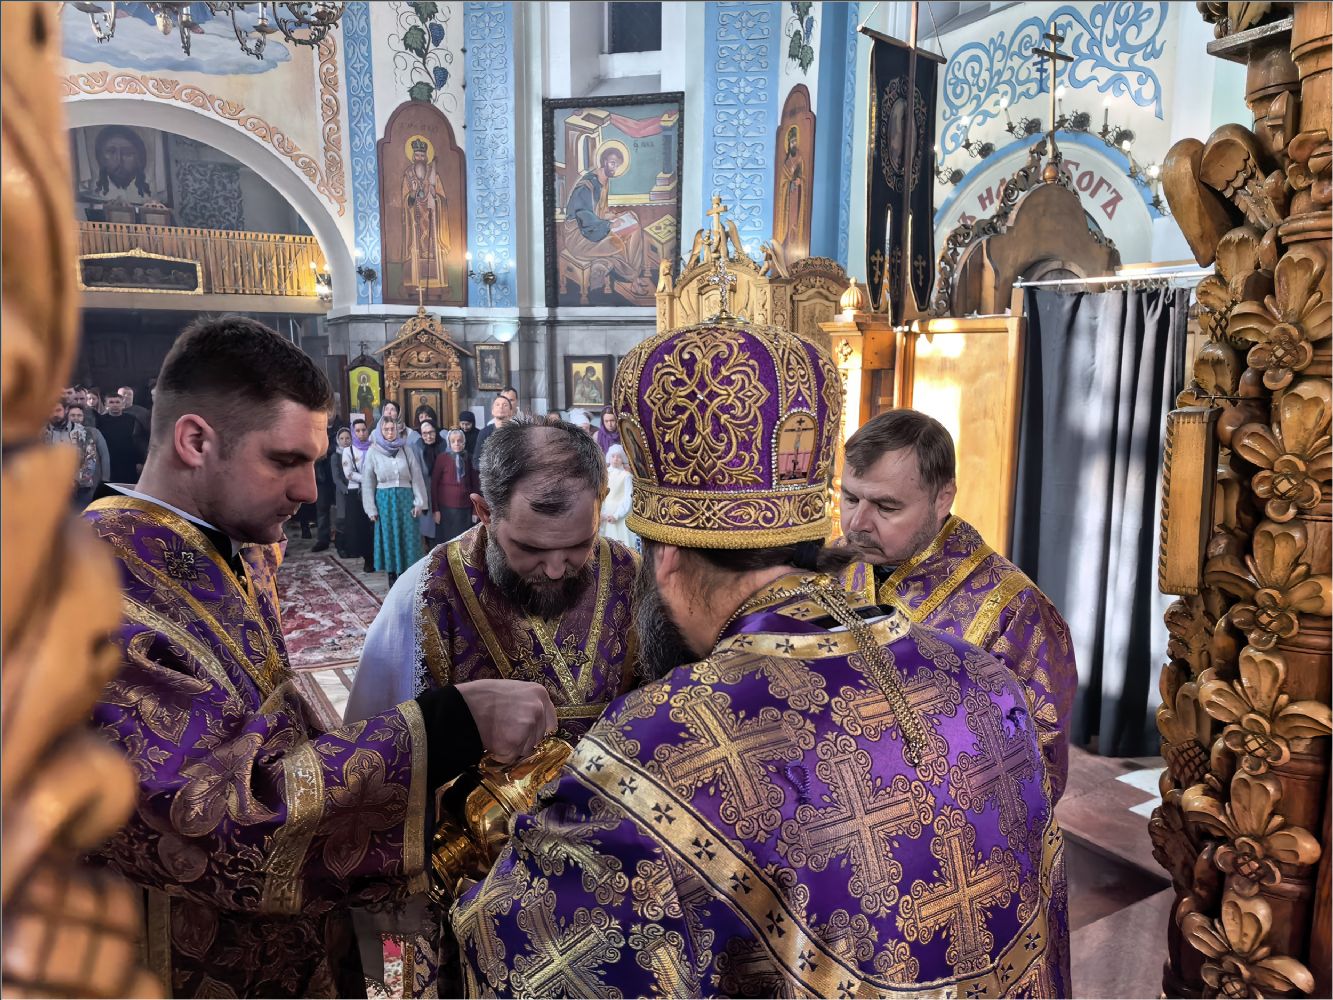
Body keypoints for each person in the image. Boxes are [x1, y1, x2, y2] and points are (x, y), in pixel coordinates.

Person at [453, 318, 1069, 997]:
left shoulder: (658, 745)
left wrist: (478, 880)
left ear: (665, 559)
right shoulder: (985, 679)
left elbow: (540, 966)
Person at [82, 316, 556, 998]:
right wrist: (445, 723)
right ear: (195, 441)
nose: (309, 490)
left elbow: (262, 731)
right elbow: (204, 819)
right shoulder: (91, 587)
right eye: (285, 461)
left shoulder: (218, 546)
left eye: (313, 461)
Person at [349, 417, 640, 743]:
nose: (556, 569)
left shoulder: (631, 574)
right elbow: (382, 745)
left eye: (580, 545)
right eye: (531, 548)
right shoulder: (424, 592)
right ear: (485, 512)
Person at [838, 409, 1078, 801]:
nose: (856, 523)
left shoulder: (1015, 612)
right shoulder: (830, 571)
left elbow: (1037, 770)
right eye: (850, 498)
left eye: (886, 507)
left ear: (942, 499)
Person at [561, 144, 650, 298]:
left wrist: (612, 215)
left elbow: (598, 211)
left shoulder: (604, 180)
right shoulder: (586, 186)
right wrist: (610, 224)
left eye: (617, 165)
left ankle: (628, 274)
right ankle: (633, 280)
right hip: (579, 237)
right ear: (603, 161)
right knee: (618, 243)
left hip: (594, 228)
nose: (615, 168)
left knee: (634, 222)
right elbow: (585, 219)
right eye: (612, 163)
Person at [363, 416, 428, 587]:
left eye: (392, 429)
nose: (390, 432)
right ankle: (392, 574)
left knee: (408, 536)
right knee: (390, 536)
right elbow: (368, 482)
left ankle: (407, 575)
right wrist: (371, 509)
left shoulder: (405, 449)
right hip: (385, 501)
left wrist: (419, 502)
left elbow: (416, 476)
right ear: (380, 431)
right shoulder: (373, 451)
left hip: (405, 499)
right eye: (386, 429)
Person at [402, 135, 452, 296]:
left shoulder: (433, 174)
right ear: (413, 156)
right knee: (416, 248)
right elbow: (405, 200)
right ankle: (414, 284)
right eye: (417, 155)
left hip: (432, 220)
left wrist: (435, 196)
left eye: (422, 155)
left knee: (434, 248)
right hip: (415, 220)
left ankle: (438, 285)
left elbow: (442, 198)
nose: (420, 158)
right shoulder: (408, 174)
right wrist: (412, 193)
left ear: (426, 157)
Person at [430, 427, 477, 543]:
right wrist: (436, 510)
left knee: (464, 543)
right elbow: (434, 485)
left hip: (465, 509)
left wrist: (475, 511)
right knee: (448, 543)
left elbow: (475, 485)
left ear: (464, 442)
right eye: (453, 441)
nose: (457, 443)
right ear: (449, 443)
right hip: (446, 510)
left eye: (460, 441)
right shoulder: (442, 458)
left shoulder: (469, 458)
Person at [342, 417, 376, 573]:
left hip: (374, 489)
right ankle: (367, 558)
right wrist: (367, 478)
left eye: (364, 430)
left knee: (373, 525)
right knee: (361, 526)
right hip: (356, 491)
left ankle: (376, 555)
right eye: (358, 431)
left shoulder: (373, 447)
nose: (361, 433)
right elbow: (348, 473)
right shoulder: (348, 450)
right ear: (353, 433)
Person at [67, 401, 110, 506]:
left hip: (89, 485)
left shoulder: (94, 432)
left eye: (79, 415)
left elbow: (104, 456)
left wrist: (105, 479)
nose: (76, 418)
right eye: (72, 415)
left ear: (83, 417)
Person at [97, 390, 145, 483]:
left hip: (128, 462)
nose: (115, 405)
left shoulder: (132, 420)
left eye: (117, 402)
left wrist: (140, 461)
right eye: (111, 402)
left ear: (122, 404)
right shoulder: (100, 421)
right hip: (108, 462)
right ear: (106, 404)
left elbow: (138, 441)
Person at [411, 419, 444, 550]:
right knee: (428, 528)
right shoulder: (417, 447)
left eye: (431, 432)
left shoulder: (443, 445)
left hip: (443, 492)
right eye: (424, 433)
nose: (428, 436)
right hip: (425, 491)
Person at [600, 443, 635, 548]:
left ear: (622, 459)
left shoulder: (626, 476)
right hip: (605, 514)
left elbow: (628, 498)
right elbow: (601, 494)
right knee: (606, 543)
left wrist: (617, 515)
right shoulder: (605, 474)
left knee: (621, 542)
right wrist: (601, 512)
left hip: (619, 515)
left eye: (618, 456)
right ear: (609, 457)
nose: (615, 459)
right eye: (613, 456)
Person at [471, 394, 511, 470]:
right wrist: (492, 468)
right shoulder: (484, 433)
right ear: (492, 411)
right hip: (490, 474)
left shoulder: (518, 432)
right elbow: (476, 462)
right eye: (497, 405)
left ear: (510, 412)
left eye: (505, 405)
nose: (501, 407)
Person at [331, 425, 352, 557]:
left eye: (347, 438)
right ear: (338, 440)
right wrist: (346, 489)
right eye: (342, 438)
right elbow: (336, 478)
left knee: (351, 519)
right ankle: (340, 547)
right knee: (342, 519)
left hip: (355, 491)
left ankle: (350, 547)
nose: (345, 441)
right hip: (342, 492)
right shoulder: (335, 456)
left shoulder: (354, 453)